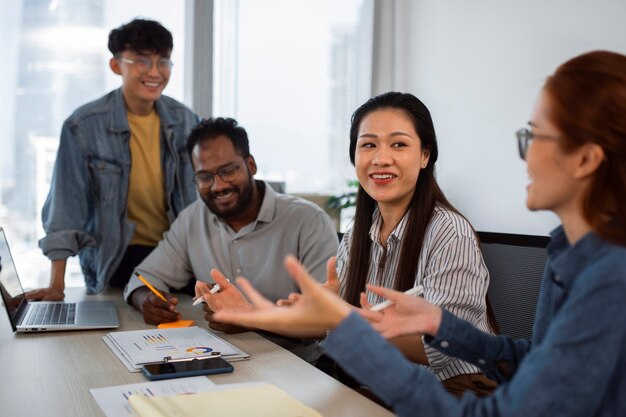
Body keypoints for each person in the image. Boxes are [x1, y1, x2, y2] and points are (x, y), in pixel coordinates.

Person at [213, 50, 626, 416]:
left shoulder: (608, 277)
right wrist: (258, 312)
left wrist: (345, 326)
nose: (525, 154)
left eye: (533, 136)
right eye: (368, 145)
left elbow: (502, 399)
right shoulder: (566, 251)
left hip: (446, 391)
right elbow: (533, 359)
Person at [204, 92, 496, 396]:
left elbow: (440, 347)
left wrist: (341, 318)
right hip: (379, 386)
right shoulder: (360, 230)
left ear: (425, 155)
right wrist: (250, 312)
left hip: (453, 393)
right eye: (368, 145)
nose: (381, 158)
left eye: (399, 144)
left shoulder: (449, 232)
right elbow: (327, 325)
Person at [124, 117, 338, 360]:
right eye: (205, 177)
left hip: (296, 364)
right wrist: (146, 300)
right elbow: (143, 278)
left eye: (228, 171)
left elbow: (326, 320)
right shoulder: (192, 219)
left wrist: (252, 318)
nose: (218, 186)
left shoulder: (308, 220)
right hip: (220, 357)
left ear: (251, 165)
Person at [31, 19, 199, 300]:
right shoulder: (83, 126)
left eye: (164, 62)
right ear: (115, 65)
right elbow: (65, 206)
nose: (155, 72)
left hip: (178, 253)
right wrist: (56, 285)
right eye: (142, 61)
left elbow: (201, 204)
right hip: (118, 258)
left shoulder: (186, 121)